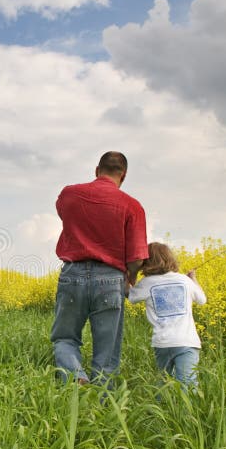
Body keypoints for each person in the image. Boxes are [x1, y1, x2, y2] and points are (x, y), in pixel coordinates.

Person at [51, 151, 148, 385]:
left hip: (72, 274)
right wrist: (130, 277)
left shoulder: (69, 194)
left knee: (65, 338)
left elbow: (64, 214)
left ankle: (75, 379)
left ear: (97, 170)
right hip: (111, 278)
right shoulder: (132, 206)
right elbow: (137, 257)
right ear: (123, 175)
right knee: (107, 351)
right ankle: (103, 405)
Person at [127, 242, 207, 388]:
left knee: (163, 384)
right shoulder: (184, 280)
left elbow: (131, 297)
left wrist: (131, 273)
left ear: (146, 262)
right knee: (187, 385)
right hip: (186, 341)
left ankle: (159, 409)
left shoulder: (147, 283)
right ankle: (186, 411)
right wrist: (192, 279)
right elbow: (202, 300)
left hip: (162, 343)